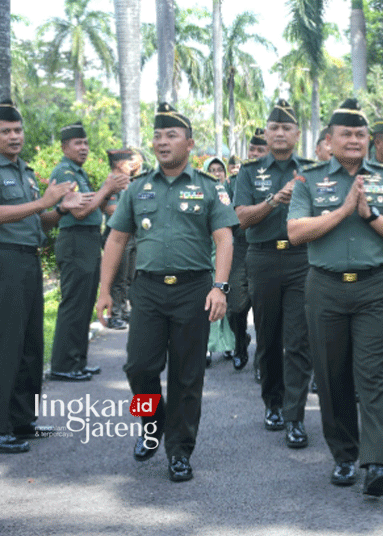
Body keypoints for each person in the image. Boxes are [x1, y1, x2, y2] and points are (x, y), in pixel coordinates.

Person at [96, 103, 238, 482]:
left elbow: (224, 239)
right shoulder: (137, 188)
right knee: (139, 366)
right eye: (157, 135)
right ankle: (151, 422)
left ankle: (179, 450)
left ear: (189, 143)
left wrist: (220, 287)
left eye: (171, 135)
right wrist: (104, 290)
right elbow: (116, 240)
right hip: (149, 291)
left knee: (187, 375)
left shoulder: (210, 188)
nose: (162, 142)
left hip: (194, 290)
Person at [287, 98, 383, 497]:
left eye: (361, 134)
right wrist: (343, 211)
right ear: (330, 139)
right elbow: (295, 232)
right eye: (347, 134)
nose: (355, 140)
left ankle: (376, 463)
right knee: (331, 375)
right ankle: (344, 455)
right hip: (324, 287)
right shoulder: (308, 180)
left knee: (372, 374)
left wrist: (371, 215)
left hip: (374, 287)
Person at [0, 100, 88, 453]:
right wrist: (43, 202)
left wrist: (61, 209)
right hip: (2, 263)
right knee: (4, 345)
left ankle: (22, 420)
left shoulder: (25, 172)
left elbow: (37, 219)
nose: (15, 136)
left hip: (28, 261)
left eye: (18, 130)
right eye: (6, 131)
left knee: (31, 346)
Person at [234, 99, 314, 448]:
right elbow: (240, 219)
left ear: (297, 134)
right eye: (274, 128)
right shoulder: (249, 173)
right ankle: (273, 404)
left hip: (302, 260)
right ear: (266, 133)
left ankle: (295, 417)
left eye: (286, 128)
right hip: (263, 259)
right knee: (268, 338)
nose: (280, 133)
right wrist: (273, 201)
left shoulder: (313, 172)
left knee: (298, 340)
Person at [49, 122, 129, 381]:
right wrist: (106, 189)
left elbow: (93, 204)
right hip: (75, 241)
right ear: (64, 147)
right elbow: (80, 211)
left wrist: (108, 192)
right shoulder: (65, 173)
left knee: (84, 305)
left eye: (85, 143)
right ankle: (64, 364)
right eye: (77, 143)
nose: (83, 148)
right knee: (74, 304)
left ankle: (78, 361)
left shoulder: (78, 173)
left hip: (87, 241)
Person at [202, 157, 236, 368]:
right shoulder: (200, 192)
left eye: (219, 170)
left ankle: (228, 343)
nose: (216, 173)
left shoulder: (231, 192)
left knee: (229, 301)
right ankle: (206, 345)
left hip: (227, 252)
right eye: (211, 170)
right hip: (206, 252)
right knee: (209, 299)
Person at [104, 149, 136, 330]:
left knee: (129, 277)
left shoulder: (128, 184)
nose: (131, 165)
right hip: (117, 237)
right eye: (128, 162)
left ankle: (124, 310)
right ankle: (114, 314)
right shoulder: (112, 182)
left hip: (131, 236)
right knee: (118, 279)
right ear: (118, 164)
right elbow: (110, 208)